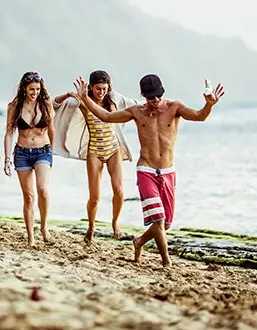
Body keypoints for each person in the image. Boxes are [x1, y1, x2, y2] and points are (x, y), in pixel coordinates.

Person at [74, 74, 225, 267]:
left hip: (168, 171)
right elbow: (107, 116)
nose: (155, 101)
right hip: (146, 170)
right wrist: (85, 98)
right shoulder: (137, 111)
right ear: (143, 95)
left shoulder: (174, 107)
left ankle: (139, 242)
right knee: (159, 220)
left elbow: (199, 116)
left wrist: (209, 105)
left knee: (165, 224)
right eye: (150, 97)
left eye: (158, 96)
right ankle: (166, 262)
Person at [53, 70, 137, 243]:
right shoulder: (84, 101)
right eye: (98, 88)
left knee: (119, 190)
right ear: (91, 87)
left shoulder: (113, 99)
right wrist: (70, 94)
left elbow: (135, 106)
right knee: (95, 197)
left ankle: (116, 225)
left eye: (104, 88)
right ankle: (91, 228)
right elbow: (56, 105)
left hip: (113, 149)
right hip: (95, 152)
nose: (101, 92)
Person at [3, 72, 55, 247]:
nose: (35, 93)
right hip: (22, 153)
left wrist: (52, 151)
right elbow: (9, 133)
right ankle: (30, 237)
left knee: (42, 189)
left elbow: (52, 130)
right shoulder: (15, 106)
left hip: (43, 151)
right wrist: (7, 159)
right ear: (24, 89)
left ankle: (44, 227)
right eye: (32, 89)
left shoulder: (46, 104)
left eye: (38, 89)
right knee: (29, 196)